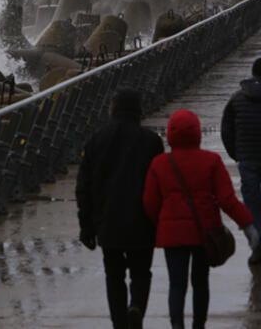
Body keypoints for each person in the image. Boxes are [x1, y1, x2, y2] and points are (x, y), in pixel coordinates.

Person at [143, 109, 259, 329]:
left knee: (177, 284)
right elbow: (227, 200)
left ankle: (177, 324)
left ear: (170, 133)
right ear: (197, 132)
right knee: (200, 282)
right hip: (204, 231)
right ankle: (198, 324)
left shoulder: (159, 164)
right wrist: (248, 225)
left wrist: (161, 223)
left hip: (173, 235)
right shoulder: (211, 161)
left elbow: (150, 202)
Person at [76, 88, 164, 329]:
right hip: (142, 220)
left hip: (108, 220)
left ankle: (118, 323)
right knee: (141, 272)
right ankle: (136, 307)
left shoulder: (96, 141)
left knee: (114, 276)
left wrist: (86, 226)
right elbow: (160, 185)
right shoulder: (152, 141)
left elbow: (83, 187)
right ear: (138, 110)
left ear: (113, 109)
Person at [221, 58, 261, 262]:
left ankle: (257, 244)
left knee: (252, 202)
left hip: (247, 159)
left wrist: (237, 154)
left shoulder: (237, 99)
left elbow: (226, 130)